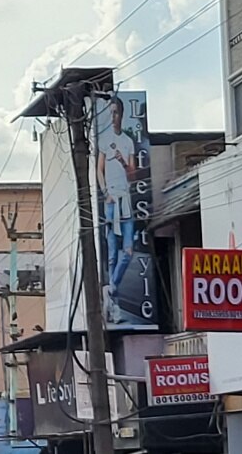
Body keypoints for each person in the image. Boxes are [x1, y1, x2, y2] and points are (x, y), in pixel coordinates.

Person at [97, 95, 136, 318]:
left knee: (127, 251)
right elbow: (99, 169)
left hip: (126, 200)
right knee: (112, 253)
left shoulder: (128, 141)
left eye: (116, 113)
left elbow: (133, 172)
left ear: (122, 114)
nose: (113, 117)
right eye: (110, 113)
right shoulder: (105, 139)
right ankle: (114, 303)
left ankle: (111, 286)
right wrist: (105, 193)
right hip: (112, 201)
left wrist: (122, 161)